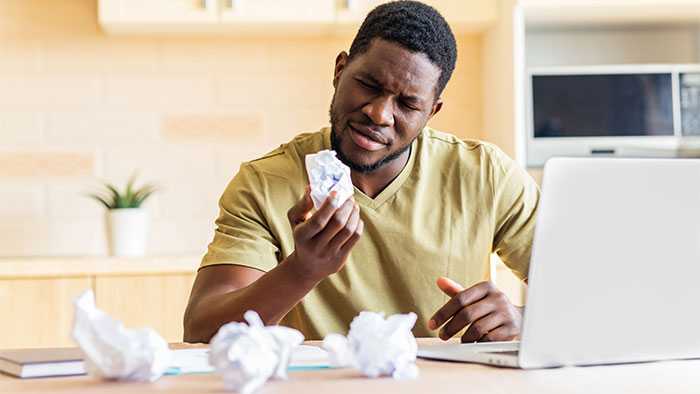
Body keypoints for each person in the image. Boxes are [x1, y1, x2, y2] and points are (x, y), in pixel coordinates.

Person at [184, 0, 539, 344]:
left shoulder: (485, 175)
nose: (380, 114)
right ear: (340, 70)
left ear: (432, 111)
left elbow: (587, 292)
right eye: (369, 85)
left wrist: (523, 318)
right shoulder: (265, 183)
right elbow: (201, 330)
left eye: (407, 103)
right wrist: (302, 270)